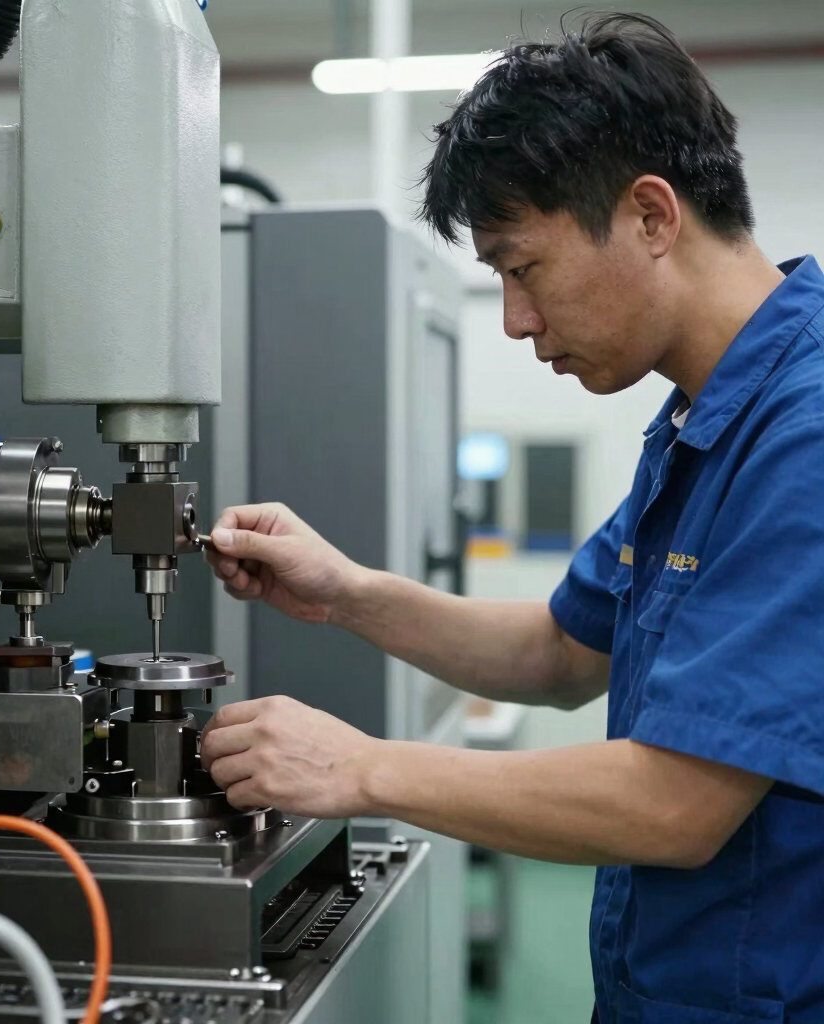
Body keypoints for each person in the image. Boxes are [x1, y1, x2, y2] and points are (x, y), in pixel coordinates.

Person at [200, 13, 824, 1022]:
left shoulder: (802, 435)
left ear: (651, 217)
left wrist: (359, 767)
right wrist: (347, 593)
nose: (515, 321)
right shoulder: (702, 421)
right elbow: (559, 649)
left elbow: (676, 806)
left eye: (520, 267)